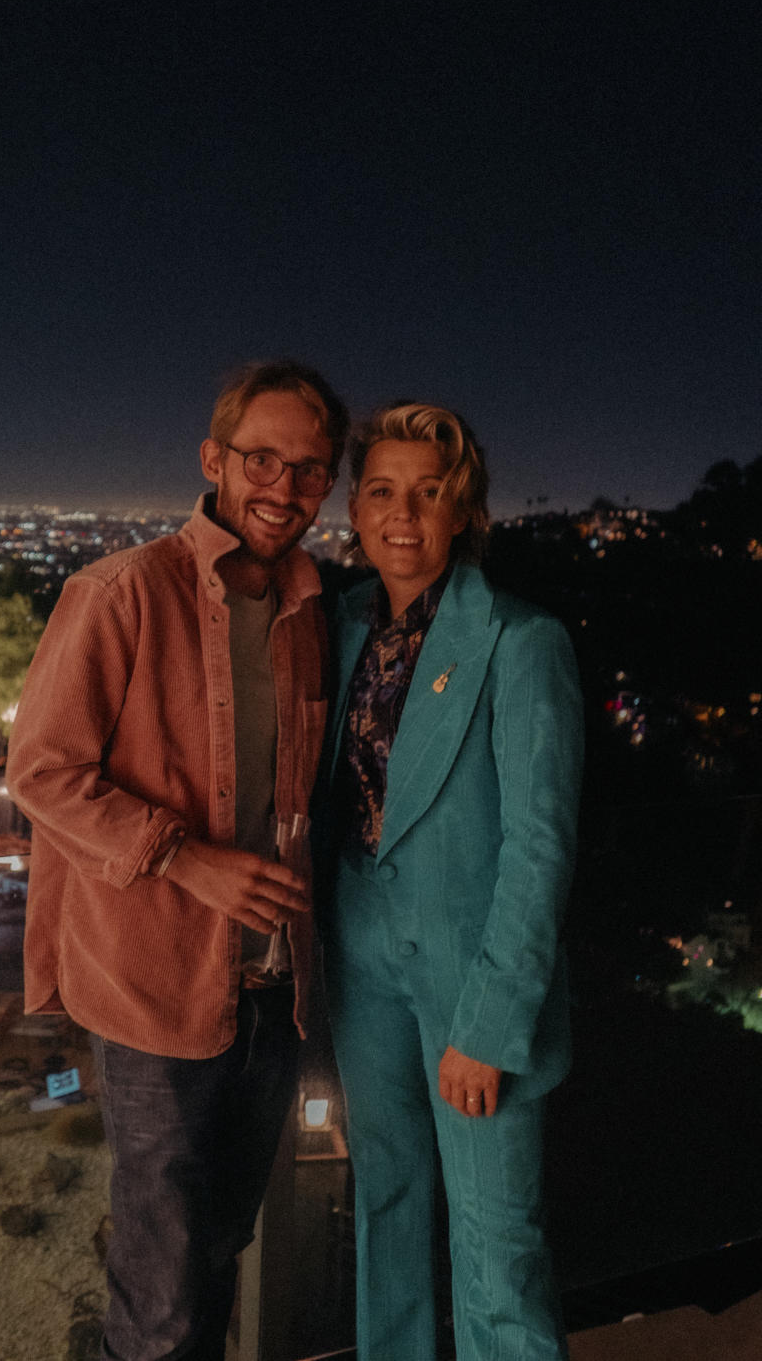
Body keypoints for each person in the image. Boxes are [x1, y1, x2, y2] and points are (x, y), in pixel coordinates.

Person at [6, 360, 349, 1361]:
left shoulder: (313, 613)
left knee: (219, 1249)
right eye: (262, 459)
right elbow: (42, 771)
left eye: (310, 468)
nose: (283, 487)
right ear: (213, 459)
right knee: (163, 1295)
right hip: (156, 993)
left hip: (273, 990)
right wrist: (185, 858)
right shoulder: (119, 592)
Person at [315, 403, 583, 1361]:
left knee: (497, 1242)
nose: (403, 513)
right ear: (355, 507)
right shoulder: (339, 625)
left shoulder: (521, 640)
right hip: (362, 965)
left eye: (430, 493)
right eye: (383, 490)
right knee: (384, 1203)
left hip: (475, 986)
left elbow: (540, 846)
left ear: (463, 512)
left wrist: (491, 1023)